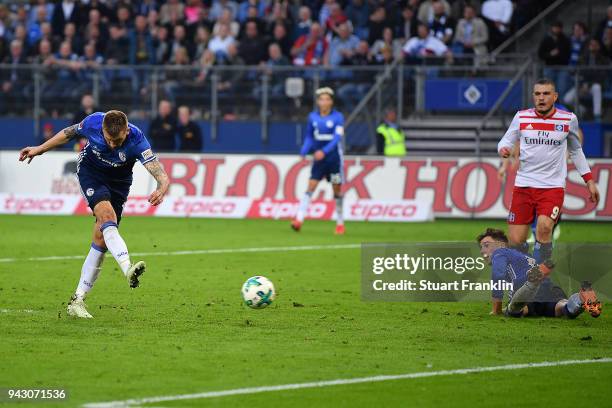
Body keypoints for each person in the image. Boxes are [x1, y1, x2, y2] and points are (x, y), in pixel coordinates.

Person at [18, 110, 170, 319]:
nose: (113, 145)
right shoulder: (93, 123)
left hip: (119, 184)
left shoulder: (137, 138)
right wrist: (40, 149)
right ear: (102, 131)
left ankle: (77, 300)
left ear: (126, 130)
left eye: (117, 140)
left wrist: (162, 186)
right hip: (91, 173)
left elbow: (159, 171)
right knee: (108, 218)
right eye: (108, 139)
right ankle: (127, 268)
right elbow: (68, 133)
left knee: (101, 239)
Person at [498, 78, 599, 264]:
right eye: (537, 94)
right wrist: (503, 149)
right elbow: (505, 140)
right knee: (515, 240)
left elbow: (576, 151)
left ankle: (540, 280)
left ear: (555, 96)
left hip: (552, 187)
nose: (541, 98)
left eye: (546, 94)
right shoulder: (521, 117)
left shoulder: (568, 119)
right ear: (533, 96)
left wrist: (589, 181)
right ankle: (524, 273)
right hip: (523, 186)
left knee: (544, 228)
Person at [477, 228, 602, 318]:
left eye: (486, 245)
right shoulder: (519, 255)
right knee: (562, 308)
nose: (483, 251)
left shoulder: (500, 252)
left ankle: (533, 282)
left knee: (514, 311)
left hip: (525, 287)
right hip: (547, 287)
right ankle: (581, 298)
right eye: (481, 247)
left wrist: (496, 310)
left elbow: (498, 276)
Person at [292, 87, 345, 235]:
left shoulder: (338, 117)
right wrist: (303, 151)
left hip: (334, 160)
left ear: (331, 101)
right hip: (319, 161)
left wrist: (324, 151)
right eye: (321, 99)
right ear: (317, 101)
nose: (324, 102)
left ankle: (340, 222)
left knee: (337, 189)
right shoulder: (312, 117)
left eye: (327, 99)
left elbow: (337, 138)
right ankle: (299, 219)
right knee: (311, 186)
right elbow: (309, 136)